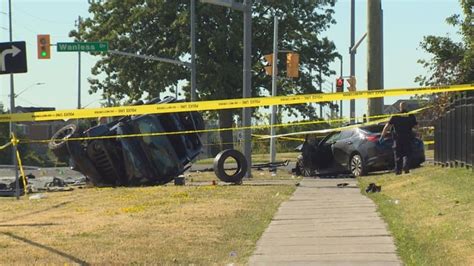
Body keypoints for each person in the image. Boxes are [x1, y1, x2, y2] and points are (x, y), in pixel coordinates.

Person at [380, 101, 418, 175]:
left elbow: (387, 126)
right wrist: (418, 134)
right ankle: (406, 167)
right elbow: (416, 126)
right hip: (408, 138)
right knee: (408, 154)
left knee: (398, 155)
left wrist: (382, 136)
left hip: (398, 138)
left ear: (399, 107)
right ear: (406, 107)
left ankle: (398, 170)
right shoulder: (411, 115)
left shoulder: (395, 116)